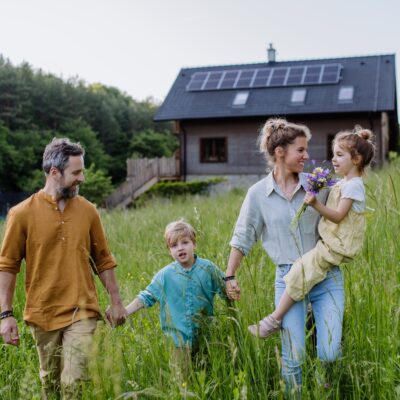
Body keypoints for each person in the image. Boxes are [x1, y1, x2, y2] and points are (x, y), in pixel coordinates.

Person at [0, 138, 126, 399]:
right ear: (54, 172)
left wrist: (116, 302)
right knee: (51, 385)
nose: (82, 178)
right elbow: (8, 265)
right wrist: (5, 314)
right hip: (42, 312)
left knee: (74, 383)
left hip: (83, 311)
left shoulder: (89, 211)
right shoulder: (21, 214)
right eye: (76, 172)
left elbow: (103, 259)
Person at [225, 118, 344, 394]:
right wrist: (230, 275)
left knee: (329, 352)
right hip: (289, 280)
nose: (307, 155)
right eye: (300, 150)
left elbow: (344, 203)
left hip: (326, 276)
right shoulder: (258, 194)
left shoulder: (318, 184)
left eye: (306, 149)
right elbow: (243, 237)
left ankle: (326, 390)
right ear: (280, 152)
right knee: (293, 358)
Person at [248, 126, 375, 338]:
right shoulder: (346, 183)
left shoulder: (353, 186)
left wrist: (315, 203)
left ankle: (273, 320)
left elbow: (337, 216)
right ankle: (302, 312)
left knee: (300, 271)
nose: (333, 159)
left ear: (356, 159)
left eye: (340, 155)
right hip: (332, 242)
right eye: (333, 153)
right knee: (305, 271)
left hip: (337, 244)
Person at [124, 220, 225, 378]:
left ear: (194, 244)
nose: (180, 248)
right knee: (182, 380)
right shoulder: (165, 275)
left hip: (206, 338)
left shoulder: (208, 268)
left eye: (185, 242)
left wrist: (232, 291)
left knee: (207, 377)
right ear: (169, 250)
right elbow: (146, 296)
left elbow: (224, 288)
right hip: (178, 342)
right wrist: (125, 312)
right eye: (174, 245)